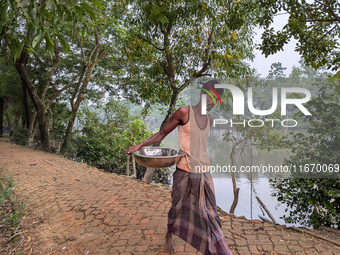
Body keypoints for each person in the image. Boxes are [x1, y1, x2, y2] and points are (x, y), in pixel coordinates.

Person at [126, 80, 232, 255]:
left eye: (217, 100)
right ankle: (169, 234)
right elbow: (162, 133)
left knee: (209, 212)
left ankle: (216, 248)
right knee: (177, 206)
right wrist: (139, 145)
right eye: (212, 98)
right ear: (202, 95)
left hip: (204, 173)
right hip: (183, 171)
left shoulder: (210, 119)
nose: (213, 103)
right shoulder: (184, 112)